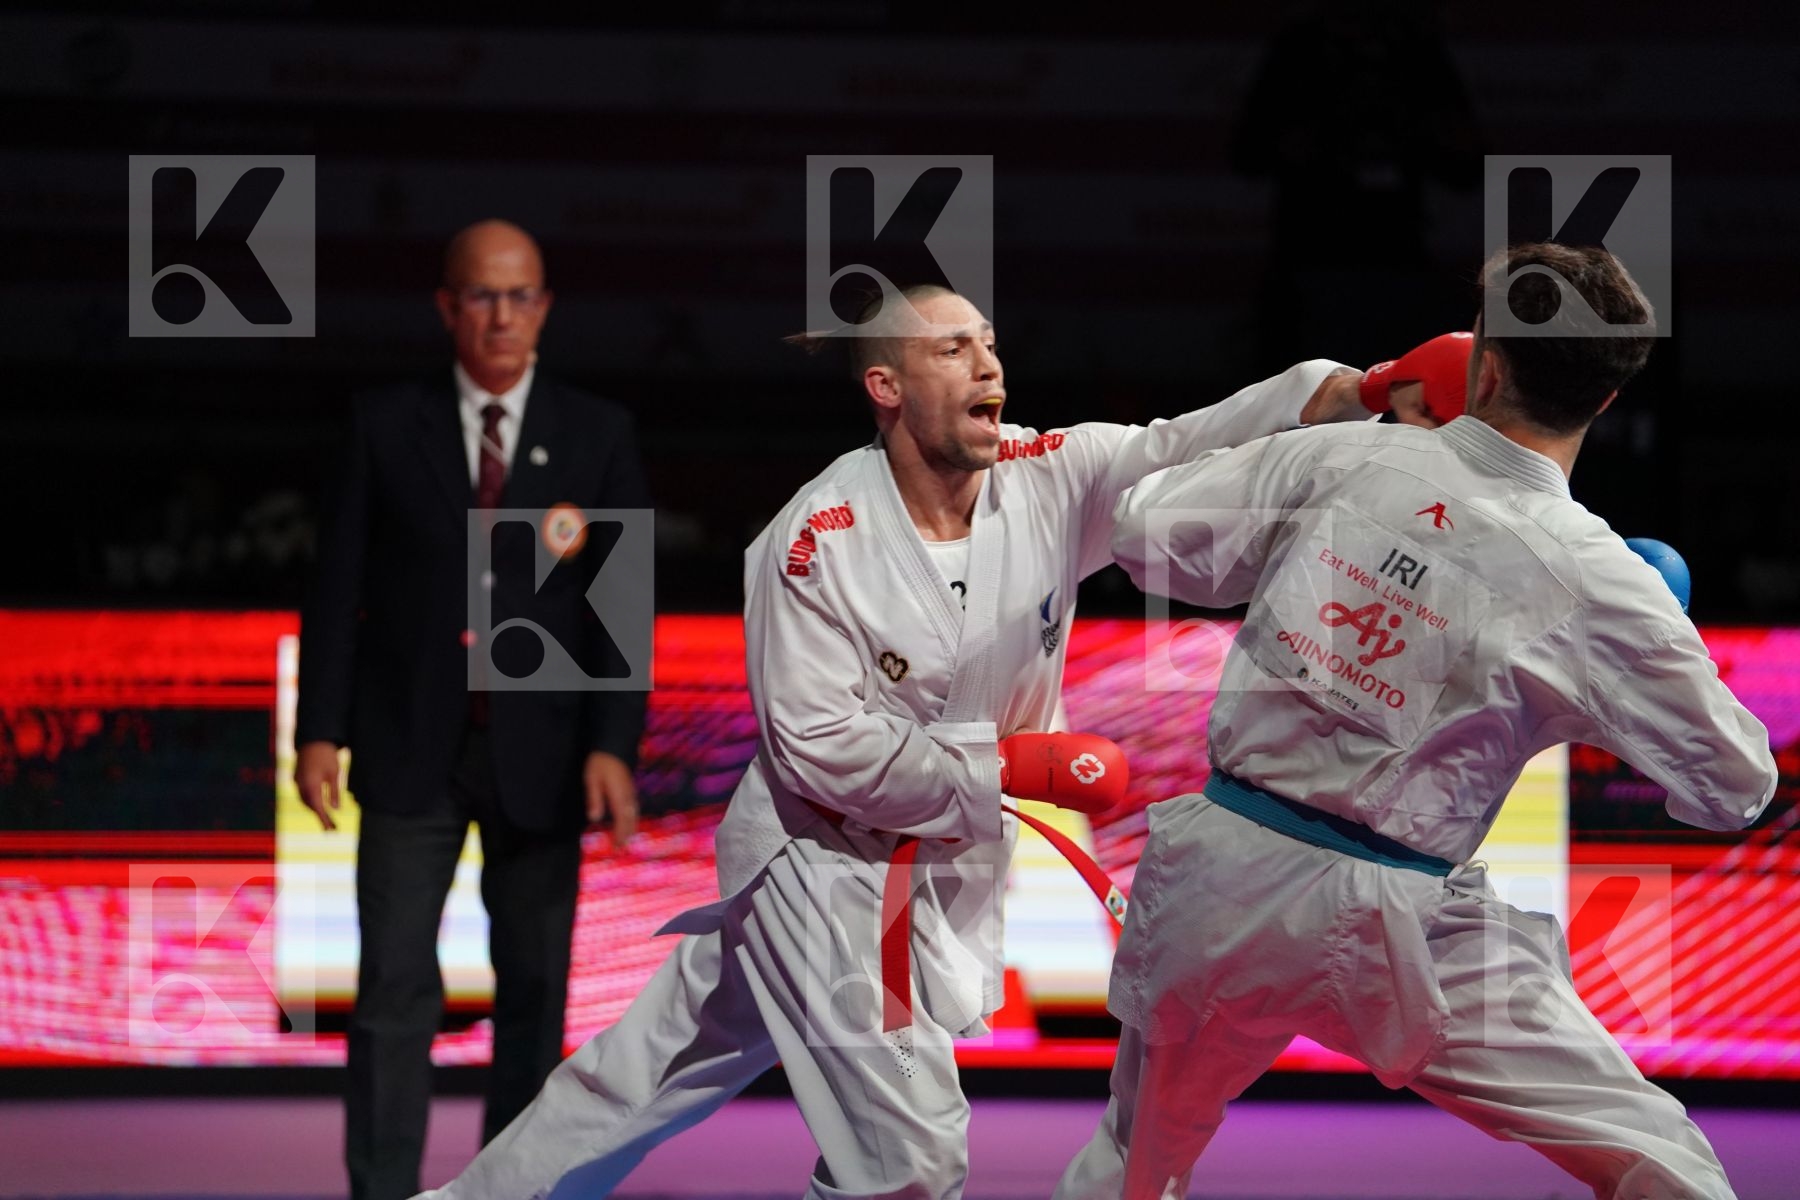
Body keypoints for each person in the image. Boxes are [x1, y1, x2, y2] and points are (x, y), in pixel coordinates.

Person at [423, 284, 1374, 1200]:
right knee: (907, 1158)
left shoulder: (1046, 475)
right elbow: (815, 744)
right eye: (952, 348)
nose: (987, 365)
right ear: (887, 388)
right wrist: (1007, 765)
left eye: (990, 344)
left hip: (932, 864)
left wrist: (1356, 392)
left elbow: (1186, 439)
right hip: (825, 862)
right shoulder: (812, 540)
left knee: (640, 1077)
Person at [1058, 243, 1778, 1200]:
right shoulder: (1601, 579)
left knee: (1131, 1168)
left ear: (1485, 362)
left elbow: (1147, 534)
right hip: (1404, 931)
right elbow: (1736, 787)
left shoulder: (1347, 453)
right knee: (1658, 1160)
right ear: (1606, 402)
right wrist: (1619, 678)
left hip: (1222, 888)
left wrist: (1357, 403)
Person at [294, 219, 650, 1200]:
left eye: (522, 295)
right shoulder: (381, 422)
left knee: (535, 996)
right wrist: (318, 729)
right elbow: (338, 590)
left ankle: (516, 1189)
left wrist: (613, 745)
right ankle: (382, 1190)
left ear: (545, 307)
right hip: (410, 748)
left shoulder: (595, 432)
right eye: (483, 296)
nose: (504, 315)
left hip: (543, 752)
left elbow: (618, 611)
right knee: (392, 995)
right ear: (448, 306)